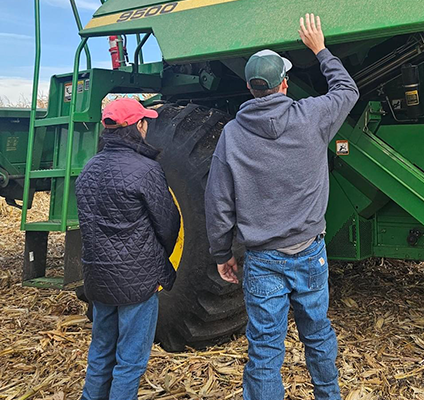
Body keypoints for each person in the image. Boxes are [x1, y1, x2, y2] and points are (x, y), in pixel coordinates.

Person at [204, 13, 359, 400]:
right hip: (309, 252)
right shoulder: (311, 117)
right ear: (284, 84)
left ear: (249, 88)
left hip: (262, 259)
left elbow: (218, 202)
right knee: (318, 335)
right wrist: (320, 50)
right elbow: (347, 90)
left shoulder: (232, 135)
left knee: (264, 352)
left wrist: (222, 253)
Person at [75, 98, 180, 400]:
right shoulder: (146, 170)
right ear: (138, 127)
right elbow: (168, 224)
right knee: (130, 361)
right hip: (137, 281)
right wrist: (157, 260)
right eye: (145, 122)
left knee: (101, 353)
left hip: (98, 278)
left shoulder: (89, 168)